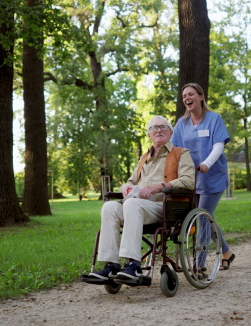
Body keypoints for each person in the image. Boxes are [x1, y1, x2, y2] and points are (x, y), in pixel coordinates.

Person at [87, 115, 195, 281]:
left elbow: (189, 180)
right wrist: (127, 188)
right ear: (149, 135)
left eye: (163, 127)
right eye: (154, 128)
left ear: (171, 132)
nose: (158, 130)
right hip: (137, 206)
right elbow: (128, 182)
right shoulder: (144, 158)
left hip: (165, 206)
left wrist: (159, 187)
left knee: (132, 204)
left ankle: (134, 265)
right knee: (109, 207)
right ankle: (112, 265)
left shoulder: (181, 153)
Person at [171, 82, 236, 270]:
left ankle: (199, 264)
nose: (187, 98)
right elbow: (174, 150)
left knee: (201, 218)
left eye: (191, 94)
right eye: (184, 96)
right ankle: (227, 253)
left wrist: (207, 164)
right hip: (191, 178)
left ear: (201, 96)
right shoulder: (181, 124)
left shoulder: (214, 119)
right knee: (206, 217)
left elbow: (218, 146)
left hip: (212, 176)